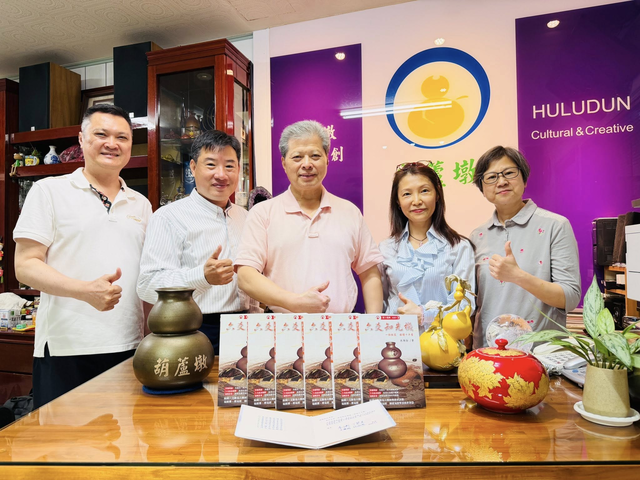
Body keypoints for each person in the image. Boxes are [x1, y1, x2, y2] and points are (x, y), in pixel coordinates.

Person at [14, 104, 152, 409]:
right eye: (101, 134)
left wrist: (150, 335)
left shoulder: (141, 204)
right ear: (81, 139)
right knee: (65, 438)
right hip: (67, 347)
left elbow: (145, 276)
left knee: (127, 437)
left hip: (129, 346)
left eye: (122, 137)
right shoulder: (49, 191)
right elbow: (25, 266)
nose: (112, 144)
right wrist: (85, 291)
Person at [236, 120, 384, 314]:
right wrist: (294, 302)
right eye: (297, 157)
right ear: (284, 163)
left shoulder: (350, 212)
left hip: (341, 327)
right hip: (284, 327)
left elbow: (369, 272)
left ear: (327, 160)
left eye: (315, 156)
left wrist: (373, 324)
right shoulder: (263, 213)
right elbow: (246, 276)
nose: (307, 164)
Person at [137, 130, 256, 354]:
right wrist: (202, 277)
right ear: (193, 167)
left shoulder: (247, 217)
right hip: (194, 329)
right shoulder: (168, 217)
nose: (221, 174)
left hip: (246, 329)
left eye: (229, 166)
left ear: (239, 169)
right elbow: (148, 285)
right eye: (211, 165)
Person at [470, 146, 581, 348]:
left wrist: (518, 276)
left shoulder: (555, 226)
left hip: (540, 353)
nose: (501, 182)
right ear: (482, 189)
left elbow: (570, 297)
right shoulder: (477, 236)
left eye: (509, 173)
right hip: (488, 354)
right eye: (491, 177)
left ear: (524, 179)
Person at [379, 161, 475, 328]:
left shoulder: (459, 247)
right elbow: (381, 304)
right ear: (397, 201)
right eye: (407, 194)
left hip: (443, 341)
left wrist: (425, 314)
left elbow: (465, 306)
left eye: (424, 191)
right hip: (396, 340)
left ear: (437, 195)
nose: (416, 201)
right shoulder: (386, 248)